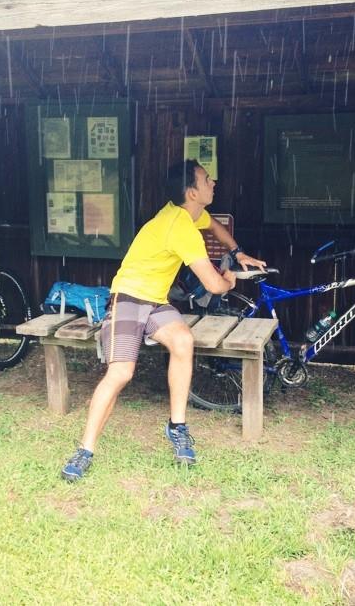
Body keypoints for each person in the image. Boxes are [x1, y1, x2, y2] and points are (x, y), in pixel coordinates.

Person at [62, 159, 266, 482]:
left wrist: (238, 251)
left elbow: (214, 226)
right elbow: (214, 285)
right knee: (121, 373)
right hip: (128, 297)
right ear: (192, 192)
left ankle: (177, 427)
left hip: (156, 302)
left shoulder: (187, 213)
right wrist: (231, 277)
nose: (213, 182)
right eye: (206, 180)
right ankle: (84, 451)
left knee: (183, 340)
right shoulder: (181, 226)